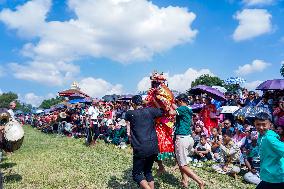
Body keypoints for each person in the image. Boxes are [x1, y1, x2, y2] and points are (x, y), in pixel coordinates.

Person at [125, 95, 163, 189]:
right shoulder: (150, 111)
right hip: (153, 146)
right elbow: (161, 111)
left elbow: (127, 118)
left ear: (133, 103)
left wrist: (135, 105)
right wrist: (153, 101)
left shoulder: (130, 113)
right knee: (148, 171)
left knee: (137, 174)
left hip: (140, 147)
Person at [169, 94, 205, 189]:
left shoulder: (182, 108)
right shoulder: (188, 109)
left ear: (181, 101)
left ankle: (200, 182)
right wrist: (171, 102)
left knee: (183, 165)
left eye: (178, 101)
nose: (177, 103)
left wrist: (167, 105)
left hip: (182, 139)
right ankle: (185, 181)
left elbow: (171, 112)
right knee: (183, 162)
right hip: (188, 138)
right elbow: (176, 107)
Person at [254, 112, 284, 189]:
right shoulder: (261, 136)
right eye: (258, 124)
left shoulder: (269, 138)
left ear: (270, 125)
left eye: (264, 124)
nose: (261, 127)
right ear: (254, 124)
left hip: (277, 176)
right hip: (269, 175)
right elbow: (259, 148)